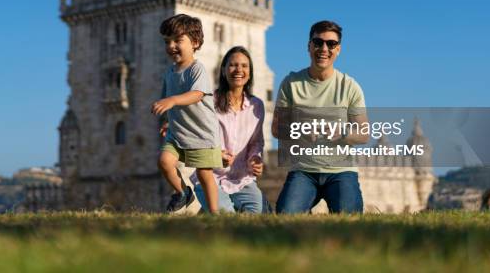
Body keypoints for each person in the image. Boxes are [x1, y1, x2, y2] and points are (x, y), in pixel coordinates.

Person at [273, 20, 370, 214]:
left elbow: (364, 134)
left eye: (331, 44)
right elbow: (277, 129)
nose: (324, 48)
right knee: (285, 215)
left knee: (349, 219)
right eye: (318, 42)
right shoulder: (291, 83)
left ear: (338, 49)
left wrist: (341, 134)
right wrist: (300, 131)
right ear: (309, 46)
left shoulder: (350, 86)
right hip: (303, 170)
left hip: (341, 172)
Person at [152, 14, 222, 213]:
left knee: (204, 174)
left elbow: (197, 94)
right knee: (164, 162)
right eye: (168, 41)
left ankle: (214, 213)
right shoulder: (169, 72)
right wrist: (168, 121)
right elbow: (170, 102)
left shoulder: (196, 69)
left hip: (201, 133)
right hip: (177, 131)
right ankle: (182, 192)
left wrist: (172, 100)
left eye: (178, 40)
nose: (171, 46)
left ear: (195, 43)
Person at [193, 46, 267, 213]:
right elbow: (196, 139)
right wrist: (215, 155)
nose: (239, 70)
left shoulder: (257, 106)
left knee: (257, 216)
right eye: (233, 65)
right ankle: (211, 211)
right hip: (210, 177)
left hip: (242, 179)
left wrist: (256, 158)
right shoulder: (208, 102)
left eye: (244, 66)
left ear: (250, 72)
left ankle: (206, 215)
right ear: (223, 70)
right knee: (227, 218)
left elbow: (256, 142)